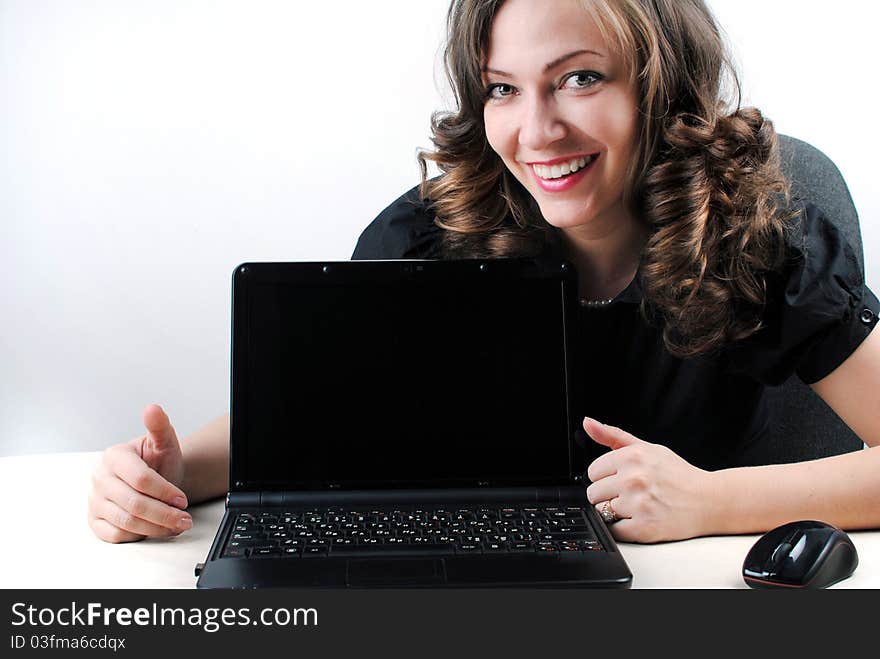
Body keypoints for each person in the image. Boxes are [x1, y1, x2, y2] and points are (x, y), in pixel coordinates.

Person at [88, 0, 880, 545]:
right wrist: (171, 473)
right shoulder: (434, 234)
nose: (537, 131)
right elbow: (319, 414)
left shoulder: (758, 238)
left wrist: (709, 502)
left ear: (662, 88)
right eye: (504, 89)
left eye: (580, 77)